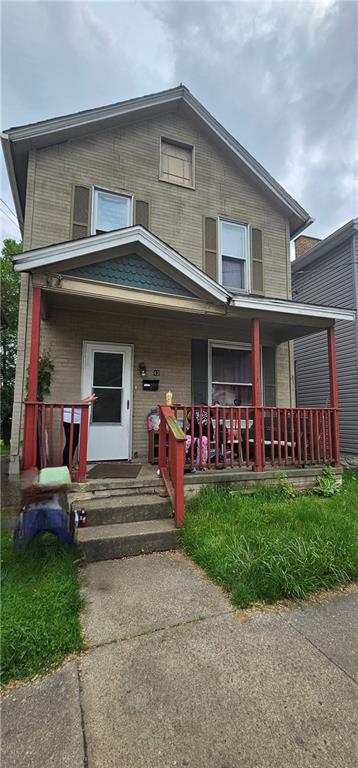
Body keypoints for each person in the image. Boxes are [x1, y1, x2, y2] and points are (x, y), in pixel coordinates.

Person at [63, 394, 97, 469]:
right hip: (70, 420)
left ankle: (68, 464)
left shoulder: (76, 402)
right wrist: (89, 400)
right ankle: (66, 465)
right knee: (71, 443)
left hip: (74, 420)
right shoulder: (70, 403)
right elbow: (78, 404)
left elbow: (80, 402)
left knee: (73, 443)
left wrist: (88, 399)